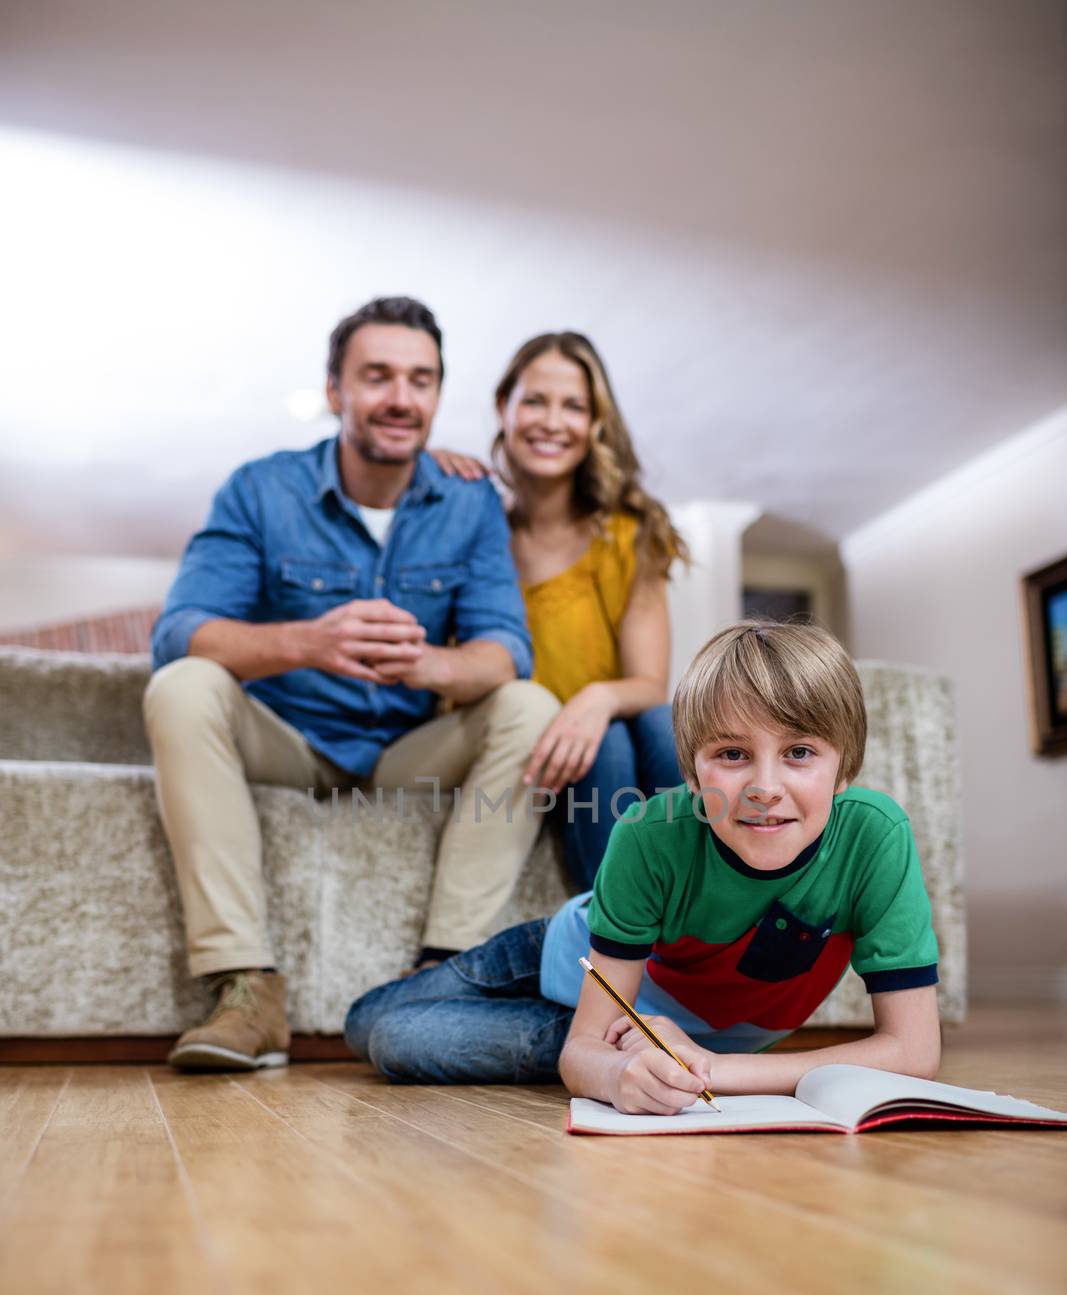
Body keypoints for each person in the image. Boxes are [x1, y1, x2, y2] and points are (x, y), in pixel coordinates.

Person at [146, 296, 559, 1072]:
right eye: (377, 376)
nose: (401, 398)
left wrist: (435, 665)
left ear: (437, 395)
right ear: (335, 390)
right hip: (288, 739)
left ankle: (443, 973)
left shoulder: (468, 501)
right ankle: (246, 990)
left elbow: (506, 649)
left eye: (421, 379)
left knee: (530, 705)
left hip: (406, 745)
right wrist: (308, 641)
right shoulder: (260, 490)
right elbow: (179, 630)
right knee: (182, 686)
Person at [344, 621, 942, 1111]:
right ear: (691, 772)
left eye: (799, 753)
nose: (765, 787)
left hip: (674, 1035)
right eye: (732, 754)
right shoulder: (649, 835)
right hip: (567, 956)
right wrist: (615, 1069)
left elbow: (914, 1051)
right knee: (366, 1024)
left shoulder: (874, 835)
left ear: (845, 768)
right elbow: (584, 1052)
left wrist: (706, 1068)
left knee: (398, 1040)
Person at [435, 331, 688, 890]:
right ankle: (614, 945)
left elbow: (649, 682)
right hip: (516, 751)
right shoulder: (469, 528)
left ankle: (714, 910)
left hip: (603, 746)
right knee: (609, 745)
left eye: (574, 406)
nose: (552, 421)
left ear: (595, 424)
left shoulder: (629, 533)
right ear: (504, 408)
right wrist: (421, 472)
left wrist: (595, 699)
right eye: (535, 401)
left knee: (656, 725)